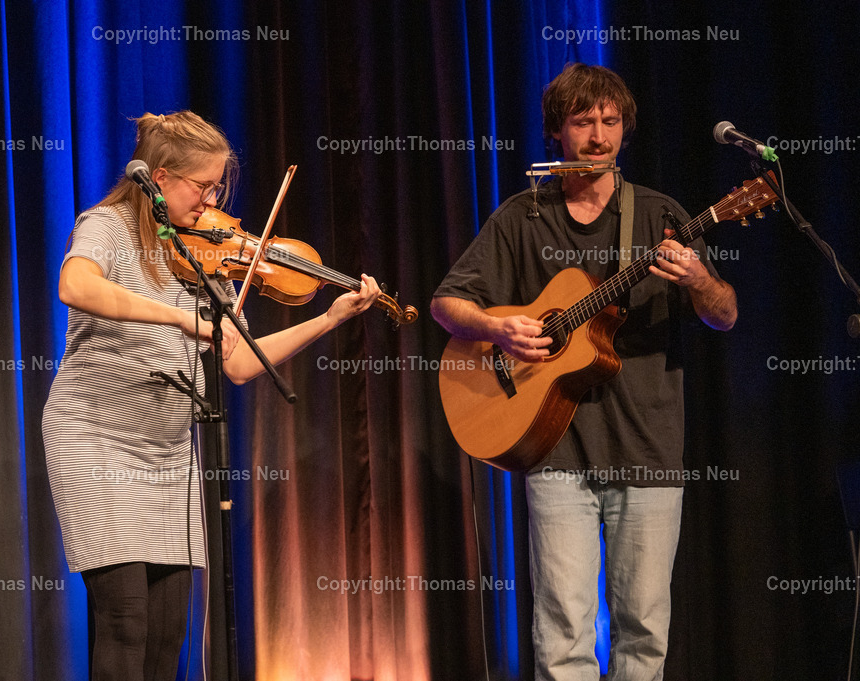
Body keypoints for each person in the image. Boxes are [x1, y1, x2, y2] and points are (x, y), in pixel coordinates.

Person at [42, 110, 379, 681]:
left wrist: (329, 318)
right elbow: (74, 285)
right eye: (203, 187)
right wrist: (177, 317)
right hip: (93, 439)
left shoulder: (204, 255)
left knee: (169, 627)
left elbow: (241, 361)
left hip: (167, 451)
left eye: (218, 187)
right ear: (162, 176)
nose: (211, 201)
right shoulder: (109, 225)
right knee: (125, 618)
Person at [431, 64, 737, 680]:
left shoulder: (659, 216)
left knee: (644, 631)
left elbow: (725, 316)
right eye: (582, 122)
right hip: (555, 451)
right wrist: (497, 327)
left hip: (647, 449)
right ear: (557, 133)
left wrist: (701, 280)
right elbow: (446, 303)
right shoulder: (523, 216)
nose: (598, 135)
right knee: (562, 631)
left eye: (610, 120)